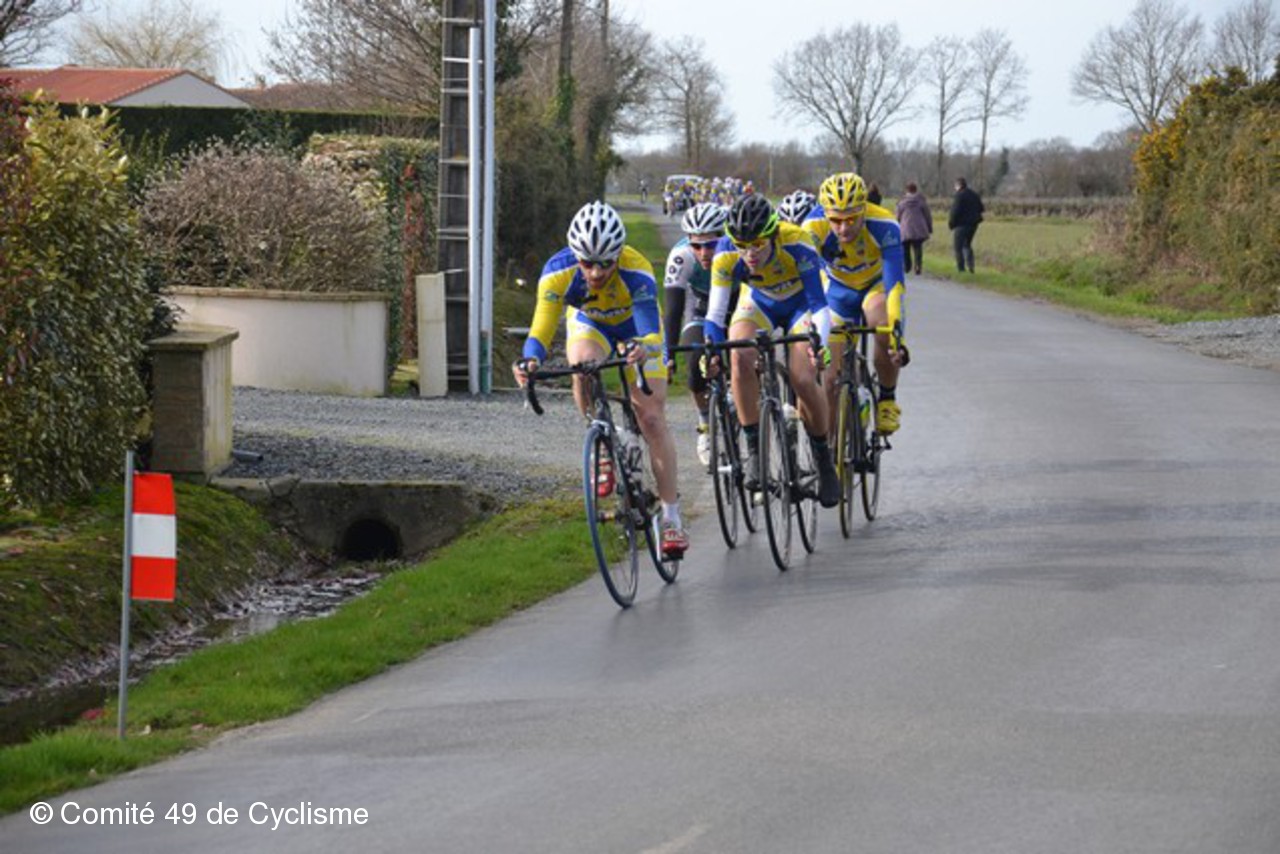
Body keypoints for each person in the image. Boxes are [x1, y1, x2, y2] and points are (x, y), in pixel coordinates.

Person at [513, 201, 688, 557]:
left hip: (636, 328)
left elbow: (650, 333)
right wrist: (529, 360)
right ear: (575, 256)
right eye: (587, 263)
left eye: (606, 263)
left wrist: (644, 348)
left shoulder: (636, 269)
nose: (595, 272)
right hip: (591, 324)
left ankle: (672, 517)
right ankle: (603, 441)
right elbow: (541, 330)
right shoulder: (557, 272)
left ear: (619, 254)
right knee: (582, 366)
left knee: (651, 418)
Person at [702, 194, 841, 509]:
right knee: (738, 355)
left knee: (802, 378)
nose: (749, 254)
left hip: (801, 305)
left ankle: (823, 459)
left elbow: (820, 306)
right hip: (759, 303)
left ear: (774, 235)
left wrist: (819, 345)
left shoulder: (797, 242)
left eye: (757, 245)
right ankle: (754, 450)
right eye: (742, 245)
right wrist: (709, 353)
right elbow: (715, 315)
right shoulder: (725, 253)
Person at [803, 172, 909, 437]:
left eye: (851, 219)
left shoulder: (884, 224)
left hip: (875, 286)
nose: (843, 228)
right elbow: (810, 283)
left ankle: (887, 399)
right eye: (836, 220)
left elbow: (895, 286)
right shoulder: (812, 227)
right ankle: (832, 450)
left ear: (864, 209)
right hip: (838, 291)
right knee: (830, 380)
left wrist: (896, 335)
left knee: (881, 323)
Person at [663, 202, 731, 468]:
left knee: (745, 355)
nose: (704, 253)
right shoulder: (681, 256)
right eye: (697, 245)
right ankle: (705, 422)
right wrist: (669, 355)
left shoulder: (736, 249)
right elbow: (673, 310)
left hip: (736, 305)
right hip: (700, 307)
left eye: (711, 245)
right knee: (694, 360)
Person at [895, 181, 933, 275]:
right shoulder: (921, 201)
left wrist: (897, 225)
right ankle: (918, 266)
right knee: (918, 248)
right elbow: (927, 215)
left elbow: (897, 216)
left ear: (907, 190)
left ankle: (907, 266)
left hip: (905, 228)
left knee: (905, 248)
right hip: (919, 228)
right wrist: (929, 227)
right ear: (916, 190)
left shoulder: (902, 202)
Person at [948, 176, 984, 273]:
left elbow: (954, 211)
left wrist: (951, 224)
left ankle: (961, 268)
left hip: (961, 225)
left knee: (957, 247)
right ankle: (971, 266)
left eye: (955, 186)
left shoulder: (959, 195)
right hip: (973, 225)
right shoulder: (974, 194)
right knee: (967, 244)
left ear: (958, 185)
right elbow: (981, 208)